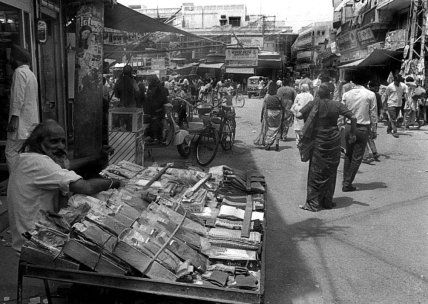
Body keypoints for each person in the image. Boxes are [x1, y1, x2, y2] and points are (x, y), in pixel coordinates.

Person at [7, 120, 121, 253]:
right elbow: (86, 187)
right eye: (54, 141)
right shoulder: (38, 162)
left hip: (31, 236)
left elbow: (65, 167)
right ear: (38, 142)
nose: (60, 146)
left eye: (63, 141)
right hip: (34, 242)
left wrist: (95, 157)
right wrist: (115, 182)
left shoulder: (26, 158)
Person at [298, 84, 356, 212]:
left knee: (316, 172)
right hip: (333, 140)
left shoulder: (314, 104)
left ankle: (313, 203)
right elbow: (353, 117)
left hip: (318, 140)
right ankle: (327, 201)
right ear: (330, 93)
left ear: (318, 94)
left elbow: (298, 115)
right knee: (330, 170)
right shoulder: (336, 105)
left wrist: (311, 119)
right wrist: (352, 133)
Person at [342, 73, 378, 192]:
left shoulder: (346, 94)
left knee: (348, 154)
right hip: (362, 128)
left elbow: (342, 112)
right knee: (357, 157)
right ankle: (347, 183)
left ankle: (345, 181)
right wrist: (374, 130)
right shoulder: (370, 94)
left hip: (348, 127)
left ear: (353, 81)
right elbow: (373, 114)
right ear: (366, 82)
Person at [6, 45, 39, 171]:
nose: (10, 61)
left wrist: (14, 118)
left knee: (11, 152)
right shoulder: (30, 74)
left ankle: (15, 179)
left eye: (12, 58)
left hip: (21, 124)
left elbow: (17, 97)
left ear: (16, 59)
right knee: (24, 155)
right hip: (29, 123)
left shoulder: (19, 72)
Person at [254, 81, 283, 151]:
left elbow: (263, 107)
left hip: (269, 113)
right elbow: (282, 107)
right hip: (278, 113)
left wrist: (261, 117)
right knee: (277, 128)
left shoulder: (267, 96)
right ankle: (277, 143)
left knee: (269, 128)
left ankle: (268, 143)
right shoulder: (279, 96)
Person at [363, 81, 382, 163]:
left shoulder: (367, 95)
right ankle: (374, 152)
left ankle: (366, 156)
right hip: (372, 118)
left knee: (364, 137)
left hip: (366, 118)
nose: (377, 88)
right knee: (369, 136)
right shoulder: (375, 95)